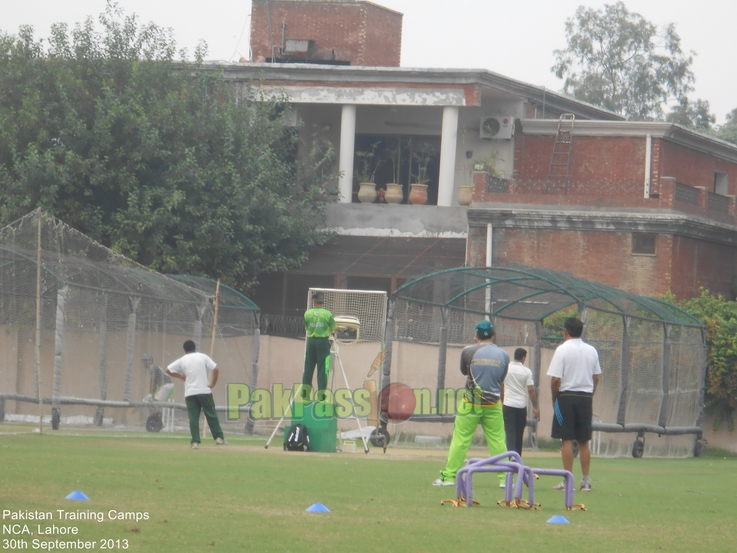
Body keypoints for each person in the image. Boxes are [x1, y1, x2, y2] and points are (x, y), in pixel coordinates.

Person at [433, 320, 509, 488]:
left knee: (460, 439)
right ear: (494, 334)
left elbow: (464, 371)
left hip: (471, 402)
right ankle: (506, 480)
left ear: (476, 335)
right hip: (493, 403)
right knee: (498, 441)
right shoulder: (504, 355)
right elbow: (500, 379)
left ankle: (449, 477)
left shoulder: (468, 351)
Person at [547, 317, 601, 492]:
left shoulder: (562, 350)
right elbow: (596, 377)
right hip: (585, 398)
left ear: (565, 332)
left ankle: (567, 480)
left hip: (566, 397)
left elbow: (556, 380)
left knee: (567, 440)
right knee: (584, 440)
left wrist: (554, 398)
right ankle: (585, 482)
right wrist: (590, 395)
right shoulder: (591, 350)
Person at [166, 340, 226, 449]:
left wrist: (180, 376)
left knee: (193, 417)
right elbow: (216, 369)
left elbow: (168, 370)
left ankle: (195, 442)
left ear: (184, 350)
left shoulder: (182, 360)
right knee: (211, 414)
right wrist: (213, 383)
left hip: (190, 393)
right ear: (195, 348)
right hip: (204, 391)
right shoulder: (203, 357)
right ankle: (219, 438)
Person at [502, 348, 539, 456]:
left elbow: (502, 386)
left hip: (508, 404)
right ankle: (517, 456)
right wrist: (535, 407)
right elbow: (531, 390)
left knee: (510, 431)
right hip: (521, 406)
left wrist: (503, 402)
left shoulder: (506, 368)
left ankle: (511, 455)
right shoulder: (526, 371)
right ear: (523, 357)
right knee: (519, 432)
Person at [302, 291, 337, 402]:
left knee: (308, 368)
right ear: (322, 301)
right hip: (323, 342)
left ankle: (305, 396)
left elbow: (307, 327)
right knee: (323, 369)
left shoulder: (307, 313)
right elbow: (334, 327)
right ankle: (321, 396)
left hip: (311, 342)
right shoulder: (327, 314)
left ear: (313, 301)